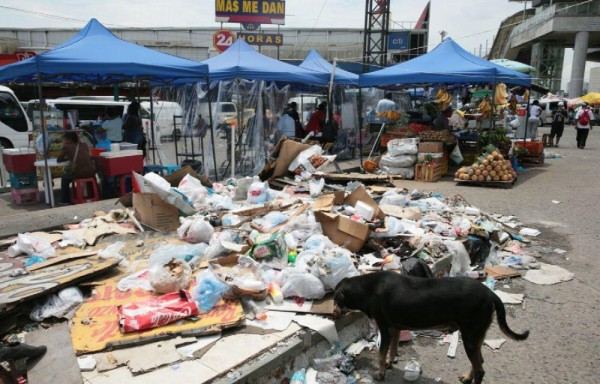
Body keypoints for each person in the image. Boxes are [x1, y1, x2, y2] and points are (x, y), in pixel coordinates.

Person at [57, 131, 96, 205]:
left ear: (69, 140)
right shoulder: (84, 145)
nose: (65, 141)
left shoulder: (66, 146)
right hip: (91, 173)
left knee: (64, 178)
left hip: (78, 174)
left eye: (65, 139)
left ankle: (65, 200)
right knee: (88, 174)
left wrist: (69, 158)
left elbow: (59, 160)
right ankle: (94, 195)